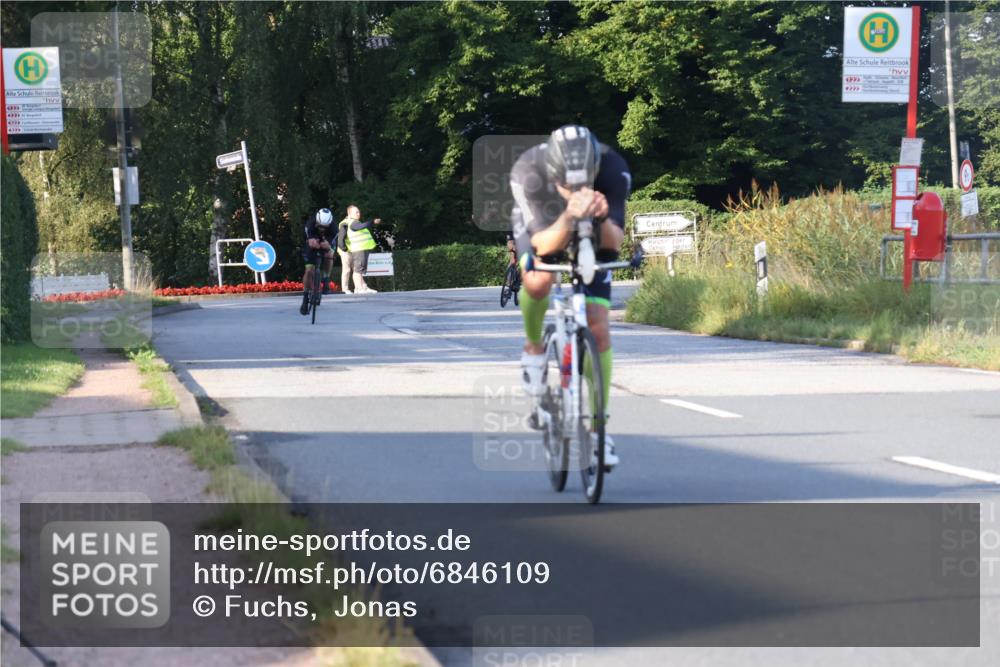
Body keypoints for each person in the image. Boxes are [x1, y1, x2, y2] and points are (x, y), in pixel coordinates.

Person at [510, 125, 631, 469]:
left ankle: (598, 431)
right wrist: (569, 213)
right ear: (553, 174)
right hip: (544, 223)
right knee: (538, 281)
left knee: (598, 325)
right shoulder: (530, 171)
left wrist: (601, 215)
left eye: (583, 182)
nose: (576, 189)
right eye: (568, 184)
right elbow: (542, 245)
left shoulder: (613, 168)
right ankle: (534, 346)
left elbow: (614, 243)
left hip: (592, 230)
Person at [337, 205, 382, 294]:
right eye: (356, 212)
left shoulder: (354, 222)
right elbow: (340, 239)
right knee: (348, 270)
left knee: (358, 269)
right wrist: (344, 249)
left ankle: (362, 287)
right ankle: (347, 289)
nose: (358, 214)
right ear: (349, 214)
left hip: (353, 249)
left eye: (359, 212)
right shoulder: (349, 223)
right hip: (347, 250)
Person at [300, 207, 337, 315]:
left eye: (325, 227)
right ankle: (305, 297)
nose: (322, 229)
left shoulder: (334, 228)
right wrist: (314, 243)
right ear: (317, 221)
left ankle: (326, 279)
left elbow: (329, 245)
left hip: (326, 242)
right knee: (309, 271)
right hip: (312, 242)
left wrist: (326, 246)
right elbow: (311, 242)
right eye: (320, 226)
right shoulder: (310, 224)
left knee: (330, 254)